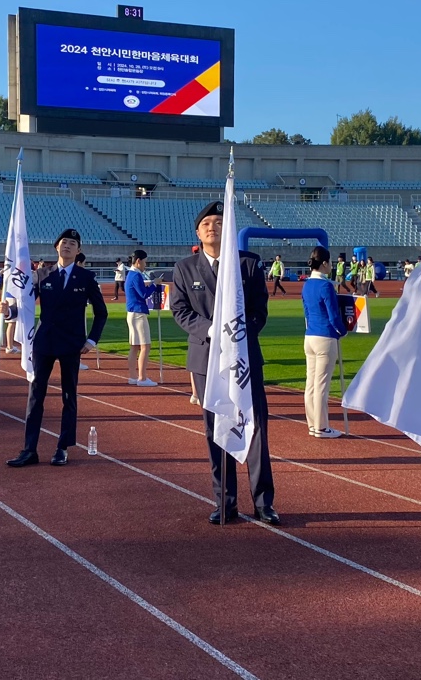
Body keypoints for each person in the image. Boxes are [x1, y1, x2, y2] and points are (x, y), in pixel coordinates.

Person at [170, 202, 279, 526]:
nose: (212, 227)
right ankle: (224, 502)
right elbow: (180, 311)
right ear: (197, 232)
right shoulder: (185, 268)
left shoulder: (248, 264)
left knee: (255, 428)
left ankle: (264, 503)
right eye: (206, 223)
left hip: (244, 357)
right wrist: (212, 330)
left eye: (219, 222)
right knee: (215, 430)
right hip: (207, 359)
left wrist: (239, 334)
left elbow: (259, 310)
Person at [2, 229, 107, 467]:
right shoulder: (42, 274)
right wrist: (9, 311)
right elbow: (26, 305)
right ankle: (29, 449)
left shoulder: (86, 277)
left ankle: (63, 448)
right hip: (44, 342)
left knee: (68, 396)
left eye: (72, 243)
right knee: (35, 395)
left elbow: (101, 312)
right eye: (64, 242)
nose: (67, 246)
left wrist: (91, 340)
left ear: (78, 250)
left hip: (72, 344)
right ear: (56, 247)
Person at [301, 246, 346, 438]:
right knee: (321, 385)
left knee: (311, 383)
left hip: (310, 336)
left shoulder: (306, 285)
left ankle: (313, 424)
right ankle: (321, 427)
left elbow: (306, 312)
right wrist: (343, 331)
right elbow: (333, 316)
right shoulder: (326, 286)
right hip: (325, 337)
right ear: (325, 263)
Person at [125, 249, 160, 387]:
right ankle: (142, 377)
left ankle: (133, 376)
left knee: (134, 346)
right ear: (138, 261)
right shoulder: (136, 275)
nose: (146, 265)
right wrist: (154, 284)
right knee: (145, 346)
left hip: (132, 313)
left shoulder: (130, 274)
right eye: (145, 262)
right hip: (138, 313)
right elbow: (144, 294)